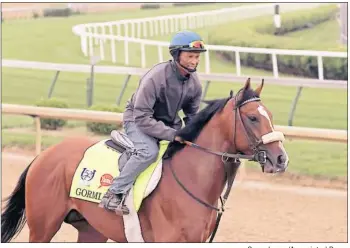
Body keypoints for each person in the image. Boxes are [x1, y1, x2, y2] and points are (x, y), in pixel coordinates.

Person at [99, 30, 207, 216]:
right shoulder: (155, 78)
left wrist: (198, 137)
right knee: (149, 152)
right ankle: (113, 193)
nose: (194, 61)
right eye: (190, 56)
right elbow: (142, 117)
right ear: (176, 55)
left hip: (167, 123)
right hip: (137, 120)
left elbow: (192, 116)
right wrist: (173, 135)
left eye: (197, 57)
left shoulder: (195, 83)